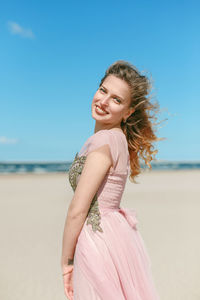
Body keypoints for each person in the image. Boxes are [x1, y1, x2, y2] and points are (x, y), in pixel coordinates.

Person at [61, 60, 161, 299]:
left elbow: (78, 209)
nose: (103, 101)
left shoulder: (103, 141)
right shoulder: (118, 140)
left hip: (97, 240)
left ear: (128, 112)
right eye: (103, 90)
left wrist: (66, 262)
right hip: (117, 236)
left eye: (116, 99)